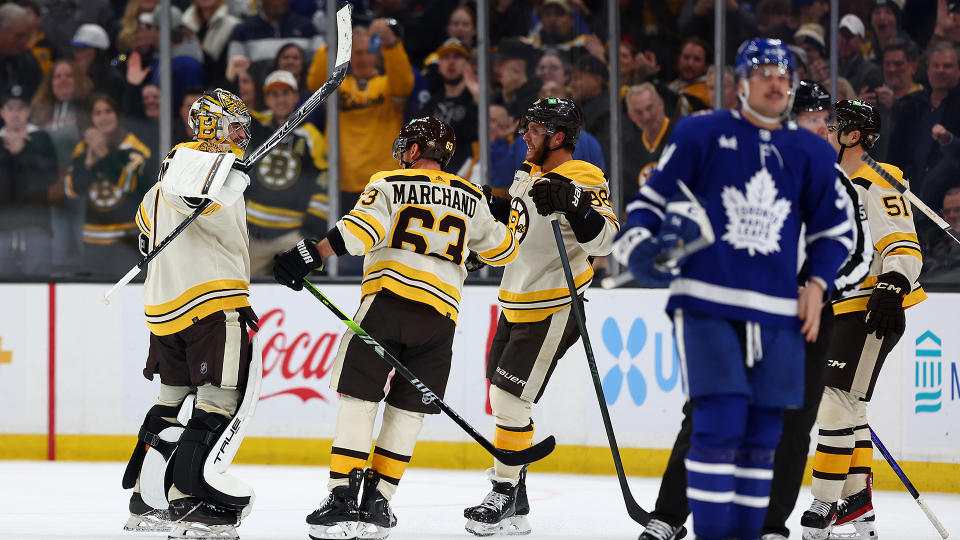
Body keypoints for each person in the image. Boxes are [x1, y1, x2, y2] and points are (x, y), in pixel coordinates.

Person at [614, 39, 853, 540]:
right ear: (740, 83)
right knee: (718, 422)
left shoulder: (808, 150)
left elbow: (837, 230)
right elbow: (650, 202)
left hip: (781, 314)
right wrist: (637, 244)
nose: (775, 82)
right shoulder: (702, 132)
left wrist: (817, 281)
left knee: (767, 436)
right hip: (708, 304)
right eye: (764, 72)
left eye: (783, 75)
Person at [272, 117, 518, 540]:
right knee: (408, 411)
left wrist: (311, 253)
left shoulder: (389, 181)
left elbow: (359, 233)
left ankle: (342, 497)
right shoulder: (472, 195)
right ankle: (379, 501)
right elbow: (503, 250)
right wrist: (503, 220)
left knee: (359, 399)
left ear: (414, 150)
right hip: (441, 320)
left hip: (388, 305)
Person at [463, 97, 619, 536]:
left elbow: (605, 240)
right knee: (502, 396)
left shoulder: (583, 175)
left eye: (533, 129)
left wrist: (577, 205)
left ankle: (502, 489)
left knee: (511, 400)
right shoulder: (525, 175)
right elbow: (519, 235)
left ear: (557, 136)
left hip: (554, 303)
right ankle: (519, 501)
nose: (524, 135)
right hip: (513, 299)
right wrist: (482, 256)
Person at [122, 88, 259, 539]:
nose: (242, 134)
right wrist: (227, 176)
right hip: (212, 306)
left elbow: (144, 231)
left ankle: (146, 501)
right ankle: (192, 503)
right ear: (211, 126)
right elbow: (202, 194)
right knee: (219, 402)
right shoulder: (205, 168)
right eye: (234, 124)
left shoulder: (162, 184)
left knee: (169, 403)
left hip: (165, 310)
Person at [801, 99, 926, 540]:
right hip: (837, 307)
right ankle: (858, 508)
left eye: (832, 125)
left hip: (871, 307)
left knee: (835, 402)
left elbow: (904, 244)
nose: (824, 130)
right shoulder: (833, 181)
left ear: (853, 135)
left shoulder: (878, 178)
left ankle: (824, 501)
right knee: (848, 409)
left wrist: (894, 283)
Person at [305, 19, 414, 273]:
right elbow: (314, 83)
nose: (363, 58)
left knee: (382, 250)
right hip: (340, 183)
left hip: (383, 184)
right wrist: (334, 43)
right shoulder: (338, 85)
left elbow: (404, 85)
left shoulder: (387, 86)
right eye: (357, 52)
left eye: (368, 52)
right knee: (342, 252)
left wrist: (391, 44)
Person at [246, 70, 328, 276]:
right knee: (244, 291)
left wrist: (310, 230)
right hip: (253, 234)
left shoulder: (310, 136)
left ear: (295, 97)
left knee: (301, 285)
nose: (280, 99)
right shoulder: (257, 125)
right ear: (266, 99)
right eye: (274, 94)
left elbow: (323, 183)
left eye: (285, 93)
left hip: (291, 234)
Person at [63, 93, 152, 278]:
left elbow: (129, 185)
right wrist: (89, 159)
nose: (103, 117)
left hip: (128, 241)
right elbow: (72, 189)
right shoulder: (83, 148)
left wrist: (103, 153)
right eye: (97, 113)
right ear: (91, 119)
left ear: (118, 115)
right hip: (92, 240)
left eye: (108, 111)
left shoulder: (135, 147)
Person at [0, 87, 59, 278]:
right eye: (10, 108)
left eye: (21, 108)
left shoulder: (41, 139)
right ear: (2, 112)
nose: (16, 113)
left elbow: (50, 177)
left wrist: (23, 152)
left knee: (39, 286)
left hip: (36, 226)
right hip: (2, 229)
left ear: (28, 111)